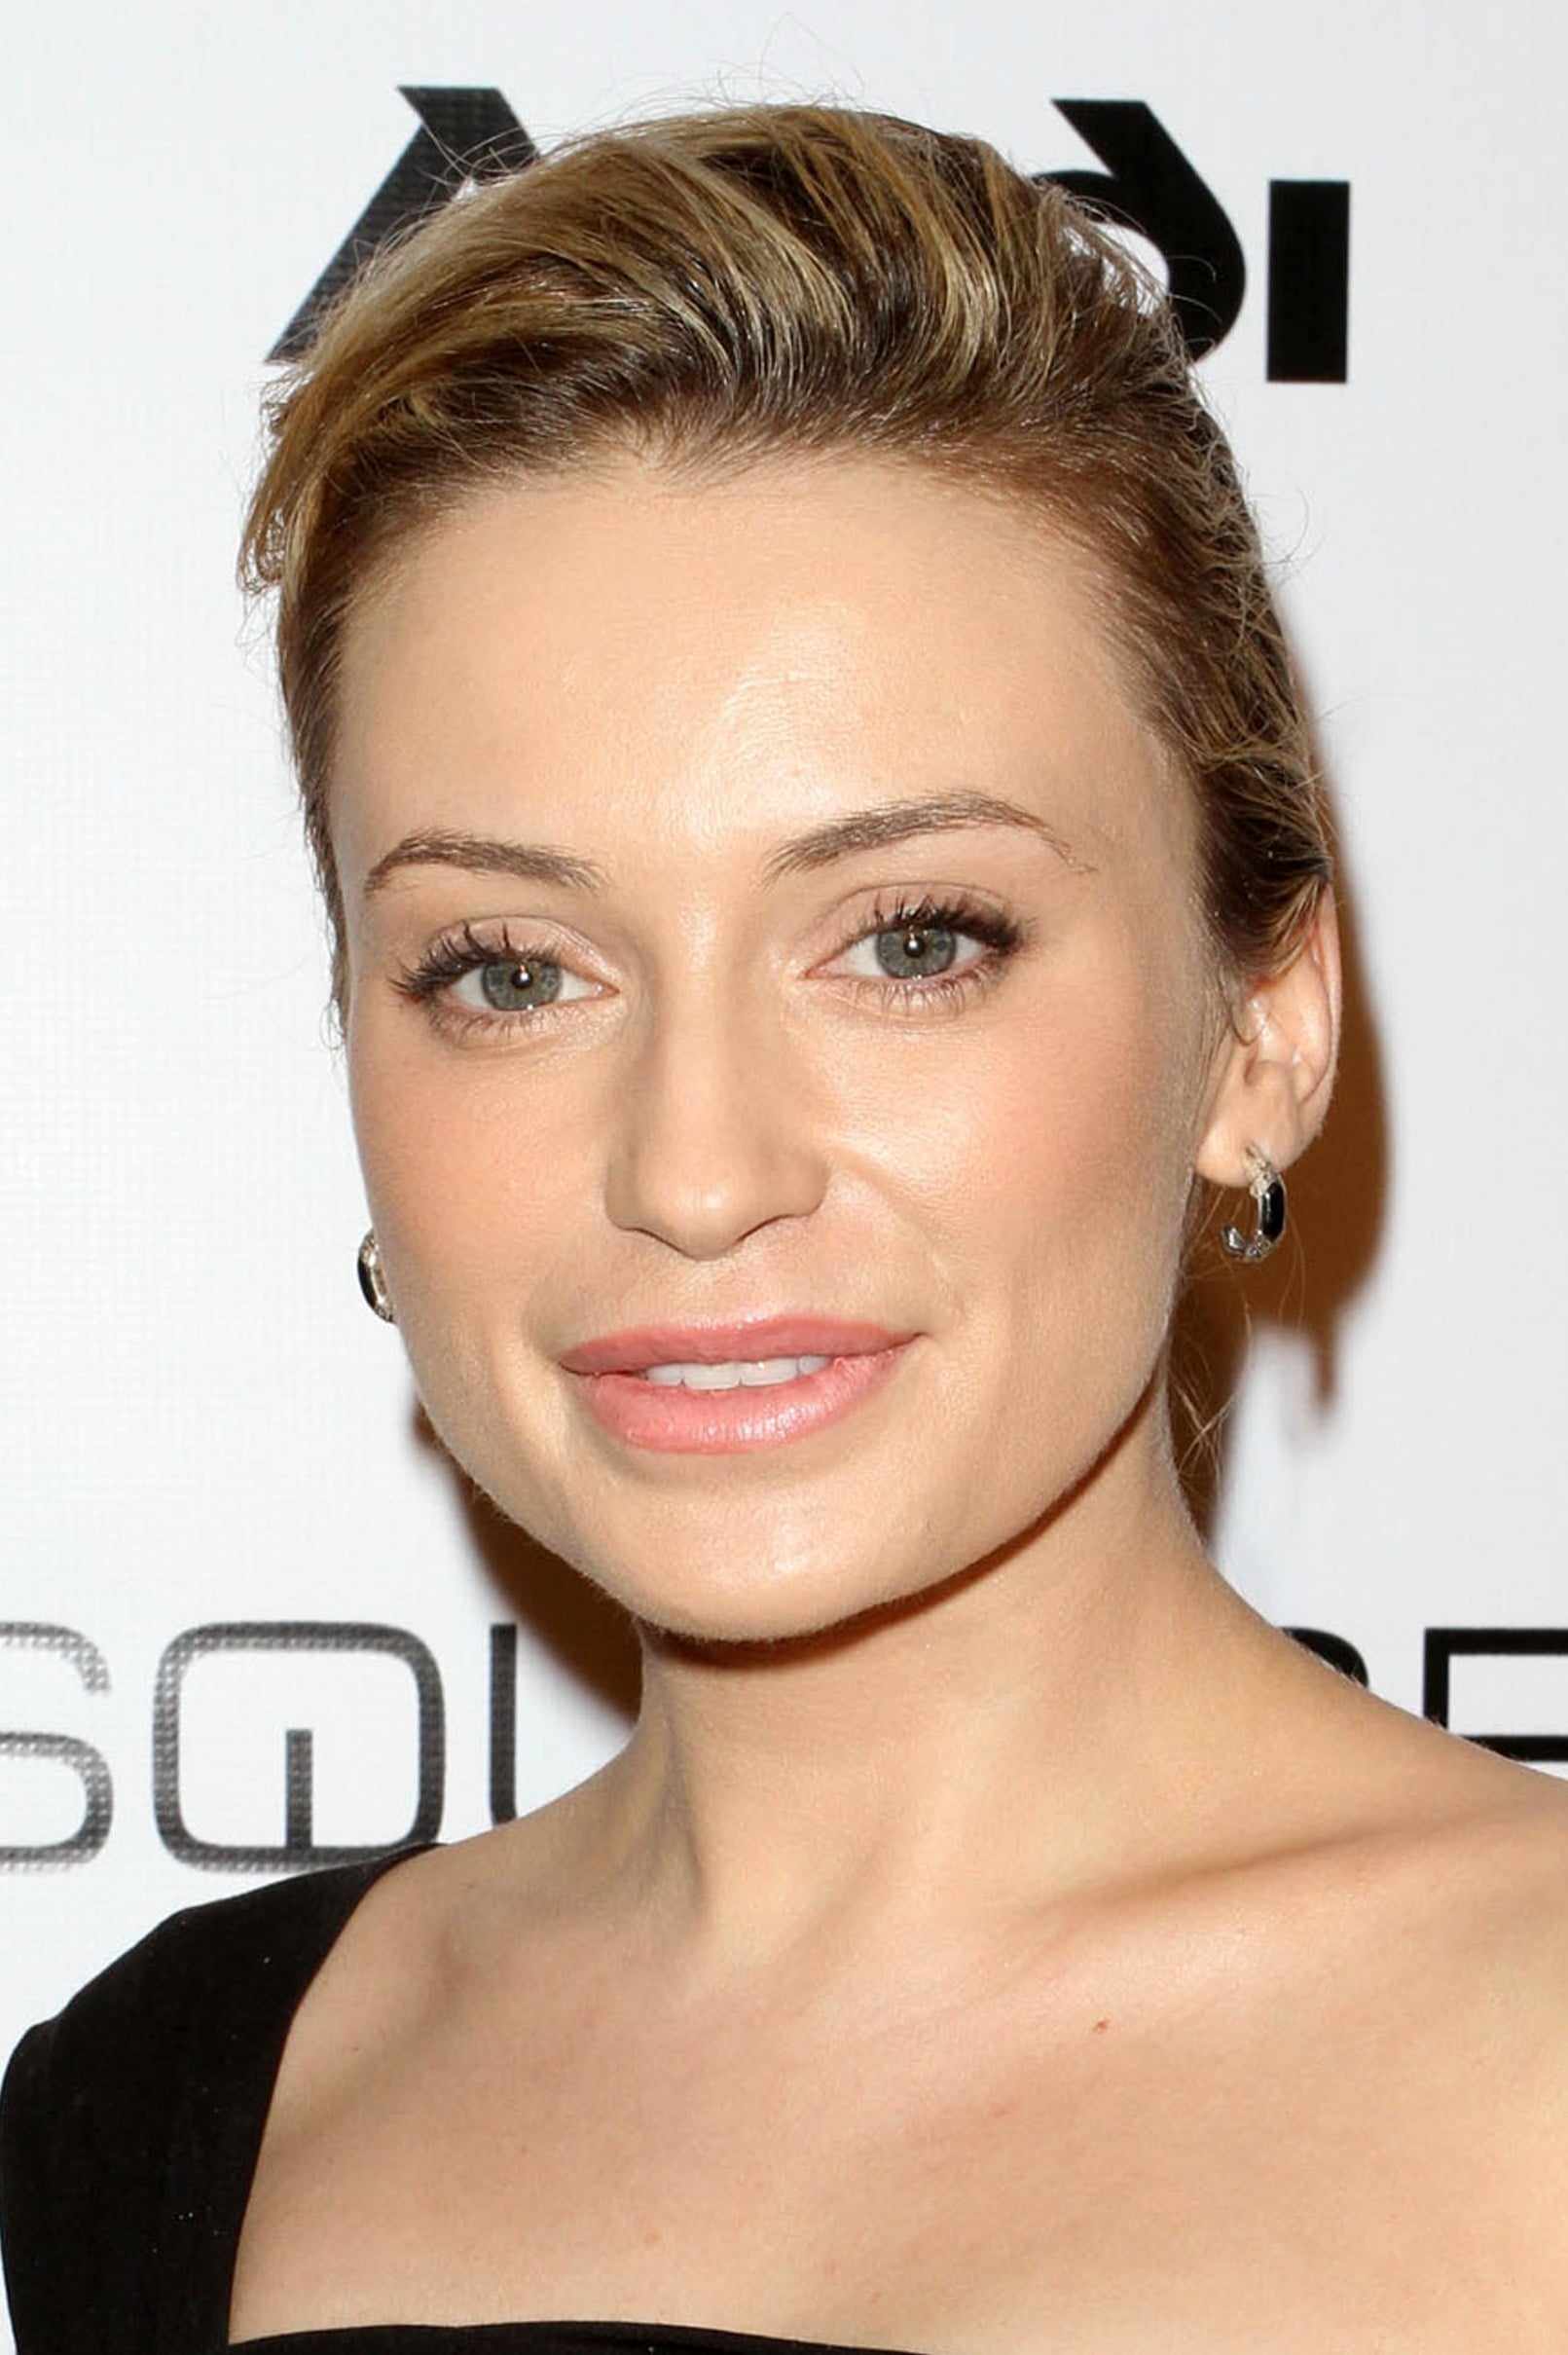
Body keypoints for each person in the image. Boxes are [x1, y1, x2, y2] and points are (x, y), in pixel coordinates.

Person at [5, 99, 1568, 2355]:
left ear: (1262, 1026)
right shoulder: (181, 2101)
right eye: (508, 971)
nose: (695, 1168)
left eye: (911, 938)